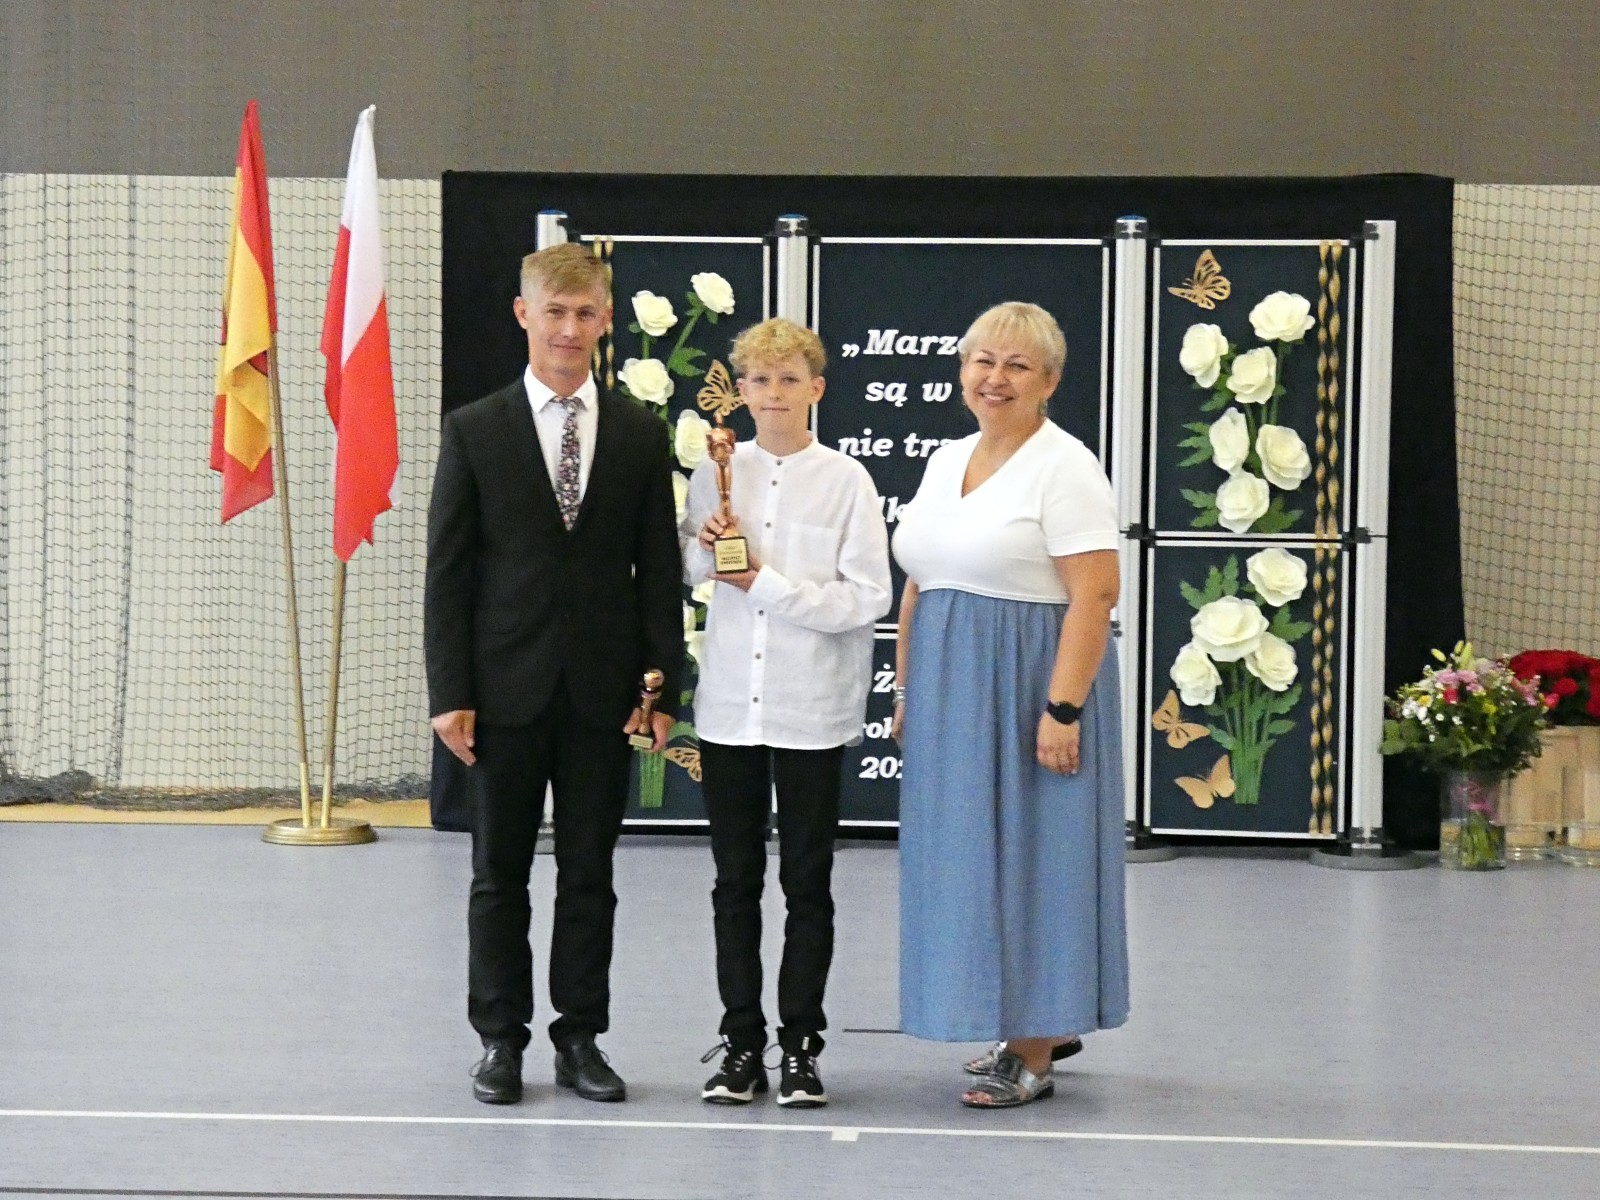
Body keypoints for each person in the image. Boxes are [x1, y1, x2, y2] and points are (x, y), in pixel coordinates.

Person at [425, 242, 683, 1106]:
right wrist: (449, 693)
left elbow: (658, 570)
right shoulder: (475, 428)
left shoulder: (640, 433)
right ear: (523, 314)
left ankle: (581, 1039)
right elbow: (448, 571)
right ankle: (500, 1041)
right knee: (497, 877)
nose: (569, 329)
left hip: (603, 696)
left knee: (590, 877)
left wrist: (662, 687)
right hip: (502, 693)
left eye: (585, 314)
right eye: (555, 312)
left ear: (605, 321)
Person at [890, 301, 1128, 1109]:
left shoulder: (1067, 467)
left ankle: (1034, 1049)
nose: (995, 378)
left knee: (1037, 860)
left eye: (1017, 366)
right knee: (971, 860)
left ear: (1050, 382)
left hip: (1031, 684)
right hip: (951, 690)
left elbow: (1095, 595)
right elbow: (921, 580)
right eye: (982, 361)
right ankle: (1026, 1018)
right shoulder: (945, 458)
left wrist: (1062, 710)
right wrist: (907, 689)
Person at [682, 318, 891, 1108]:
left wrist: (762, 582)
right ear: (742, 392)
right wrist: (709, 549)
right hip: (730, 708)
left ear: (817, 388)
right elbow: (691, 566)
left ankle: (801, 1046)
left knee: (808, 884)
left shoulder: (847, 481)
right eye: (761, 381)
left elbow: (865, 598)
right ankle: (741, 1044)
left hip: (812, 709)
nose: (774, 394)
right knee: (734, 884)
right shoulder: (715, 473)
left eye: (789, 380)